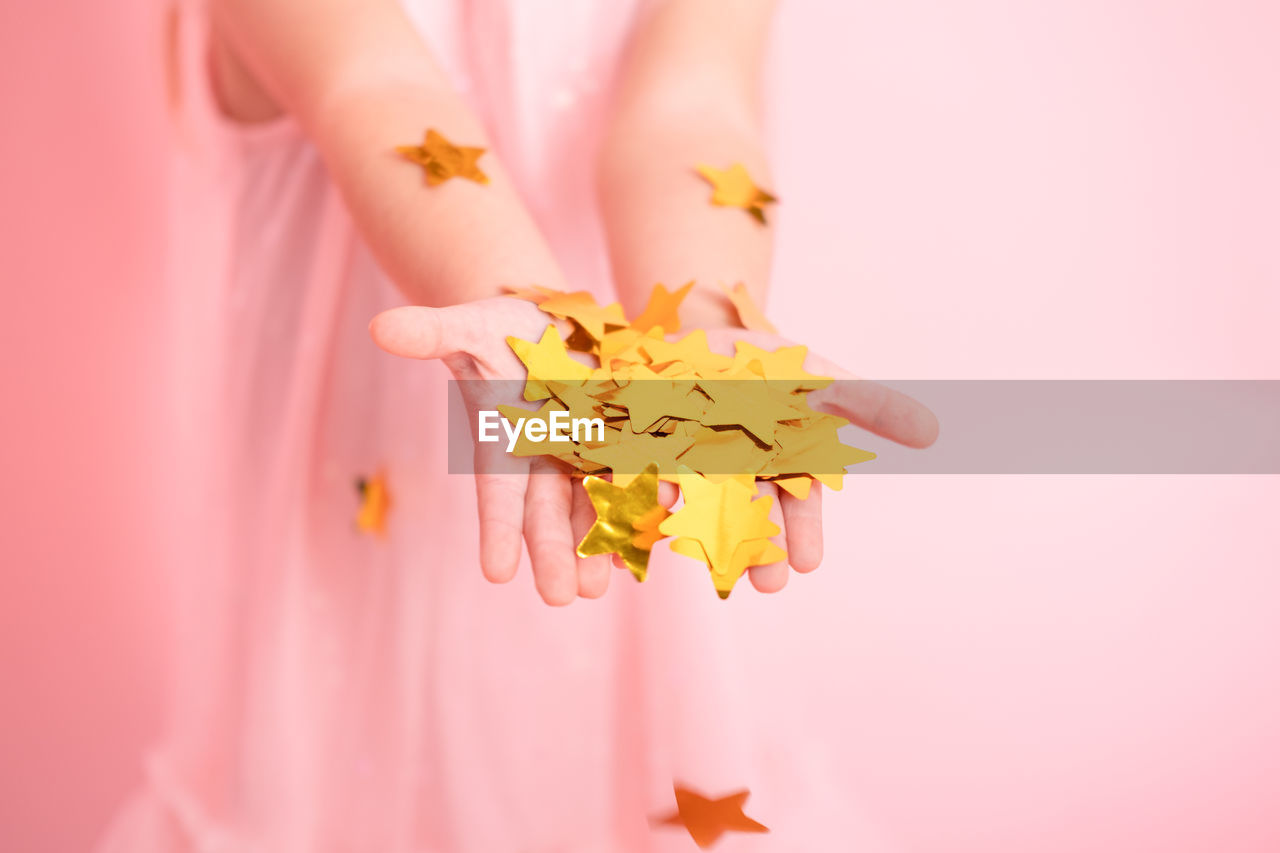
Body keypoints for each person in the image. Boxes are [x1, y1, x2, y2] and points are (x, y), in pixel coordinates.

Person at [101, 0, 937, 849]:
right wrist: (531, 314)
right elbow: (376, 89)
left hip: (615, 472)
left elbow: (691, 111)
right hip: (346, 535)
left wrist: (713, 331)